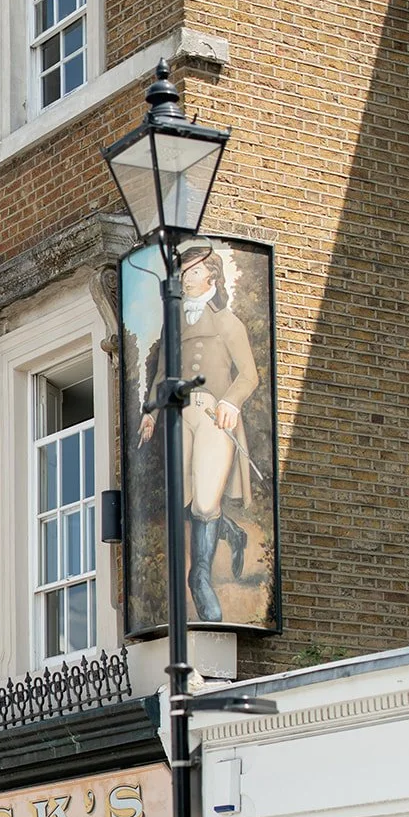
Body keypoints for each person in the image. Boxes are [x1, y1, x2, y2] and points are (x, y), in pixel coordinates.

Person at [137, 246, 261, 622]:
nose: (185, 278)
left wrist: (232, 402)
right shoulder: (173, 324)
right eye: (183, 272)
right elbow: (161, 374)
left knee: (206, 503)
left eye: (192, 272)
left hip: (212, 415)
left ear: (211, 276)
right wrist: (151, 412)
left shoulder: (227, 322)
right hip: (178, 414)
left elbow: (249, 376)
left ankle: (200, 576)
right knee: (185, 499)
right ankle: (218, 552)